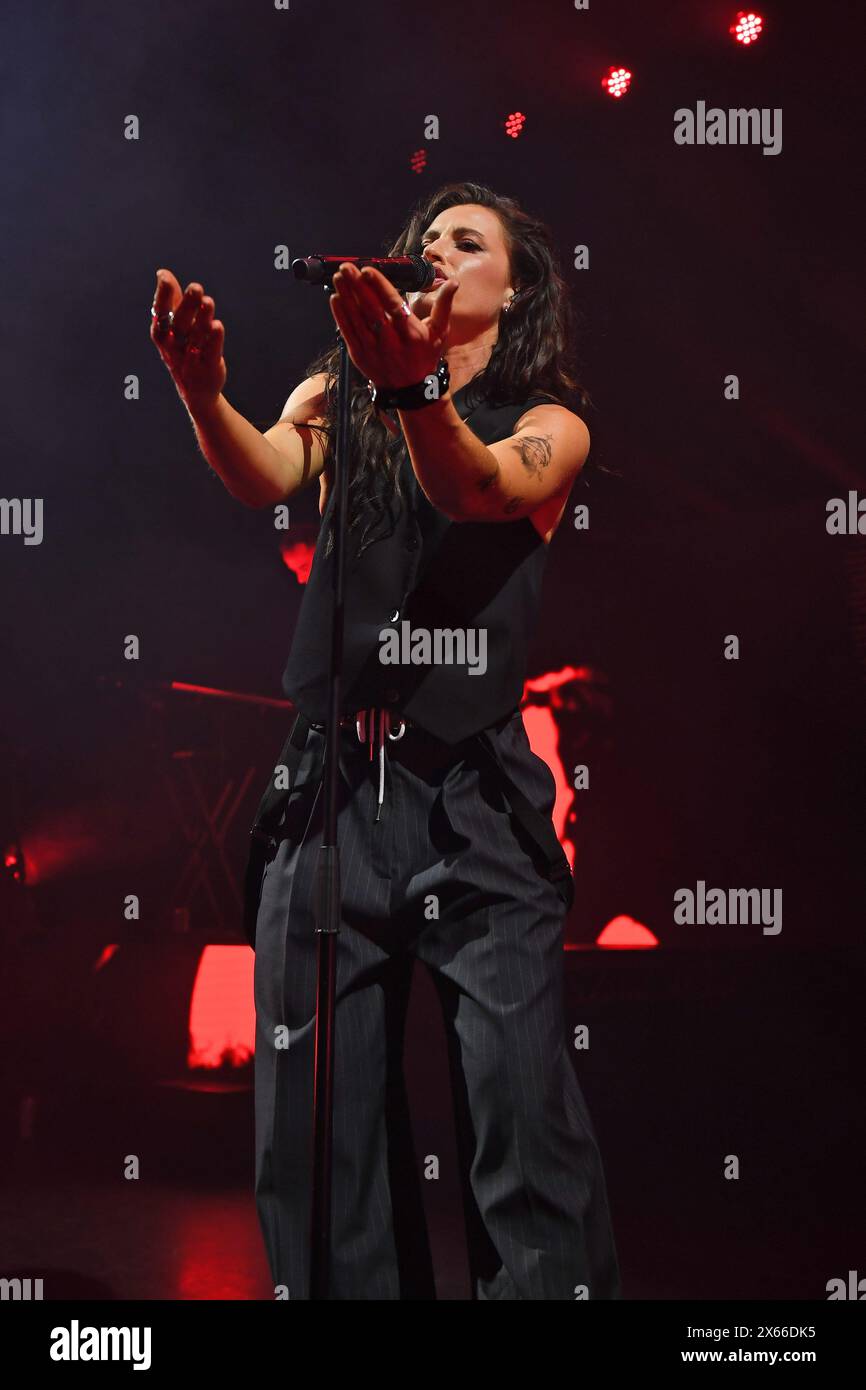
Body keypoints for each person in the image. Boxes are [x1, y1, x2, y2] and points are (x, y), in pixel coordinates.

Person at [150, 181, 622, 1301]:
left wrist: (415, 388)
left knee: (517, 1106)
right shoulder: (339, 393)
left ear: (516, 293)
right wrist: (199, 392)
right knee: (315, 1127)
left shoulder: (548, 422)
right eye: (426, 239)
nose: (436, 251)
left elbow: (472, 485)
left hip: (472, 799)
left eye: (470, 242)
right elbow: (262, 469)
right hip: (330, 790)